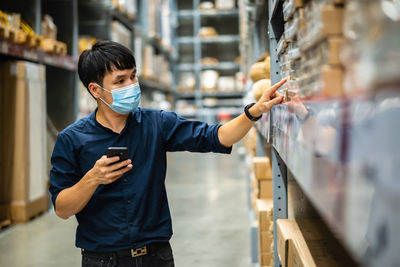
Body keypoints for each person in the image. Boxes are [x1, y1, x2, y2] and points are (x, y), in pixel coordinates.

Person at [49, 40, 286, 267]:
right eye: (120, 81)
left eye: (133, 76)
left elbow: (217, 136)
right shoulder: (72, 139)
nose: (131, 85)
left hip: (156, 257)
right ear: (95, 90)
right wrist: (93, 178)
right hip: (102, 260)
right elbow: (62, 208)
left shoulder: (156, 124)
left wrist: (255, 111)